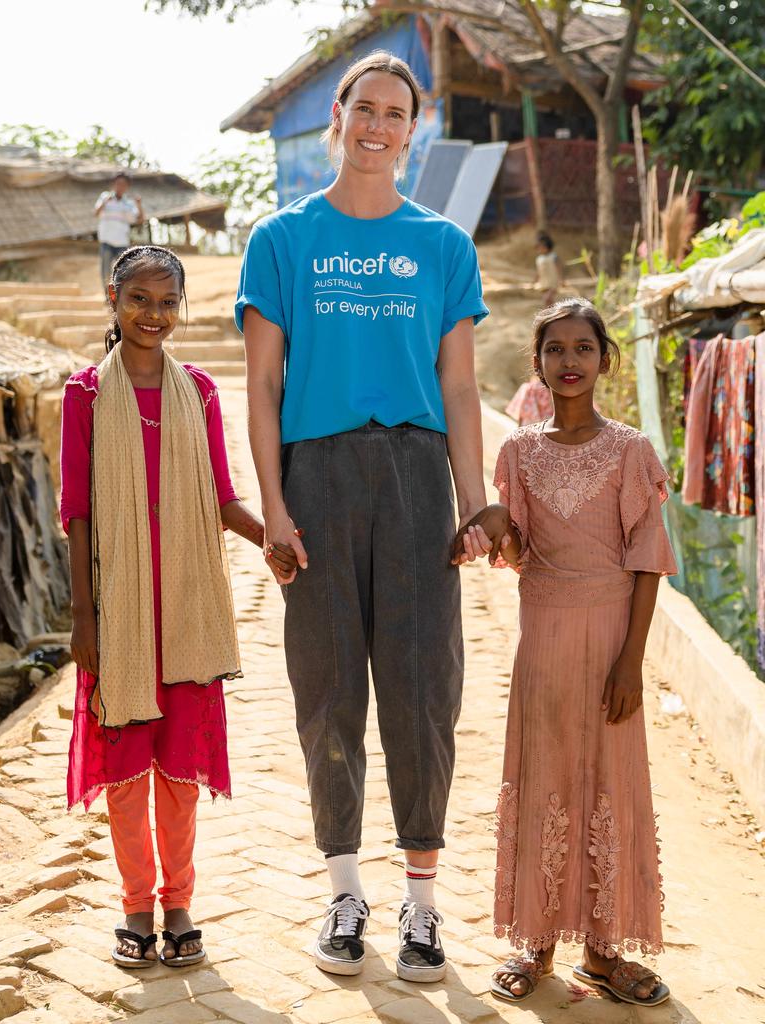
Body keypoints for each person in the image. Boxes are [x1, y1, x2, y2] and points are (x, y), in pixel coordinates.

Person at [237, 51, 488, 982]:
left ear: (412, 132)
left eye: (398, 114)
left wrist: (474, 506)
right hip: (322, 478)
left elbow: (460, 389)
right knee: (329, 689)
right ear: (337, 119)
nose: (380, 126)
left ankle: (423, 906)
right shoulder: (284, 239)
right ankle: (344, 891)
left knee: (425, 692)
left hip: (421, 478)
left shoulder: (443, 246)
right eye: (365, 109)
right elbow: (262, 387)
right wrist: (275, 509)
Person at [60, 245, 296, 971]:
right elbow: (77, 513)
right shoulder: (86, 396)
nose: (153, 314)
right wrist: (83, 618)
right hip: (122, 613)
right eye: (140, 299)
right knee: (128, 769)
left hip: (185, 610)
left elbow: (222, 497)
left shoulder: (197, 389)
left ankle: (179, 900)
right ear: (113, 298)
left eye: (167, 302)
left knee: (178, 772)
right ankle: (135, 904)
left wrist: (274, 540)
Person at [454, 298, 676, 1007]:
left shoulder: (633, 451)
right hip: (543, 639)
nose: (570, 362)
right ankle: (536, 941)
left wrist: (632, 663)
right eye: (556, 350)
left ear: (604, 359)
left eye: (584, 348)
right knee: (544, 774)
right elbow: (519, 555)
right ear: (538, 364)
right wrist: (495, 523)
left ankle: (606, 954)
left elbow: (647, 562)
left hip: (612, 635)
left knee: (612, 780)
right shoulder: (518, 450)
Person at [94, 174, 144, 292]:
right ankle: (107, 297)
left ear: (127, 187)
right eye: (118, 184)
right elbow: (96, 213)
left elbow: (140, 219)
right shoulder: (105, 197)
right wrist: (105, 203)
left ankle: (119, 296)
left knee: (123, 272)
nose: (120, 187)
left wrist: (139, 205)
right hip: (106, 241)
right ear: (113, 185)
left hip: (122, 242)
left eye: (123, 184)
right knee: (106, 272)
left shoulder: (129, 203)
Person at [535, 231, 563, 306]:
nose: (540, 249)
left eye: (542, 247)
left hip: (553, 282)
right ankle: (550, 315)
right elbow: (539, 270)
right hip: (543, 282)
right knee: (548, 301)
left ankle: (553, 313)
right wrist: (536, 280)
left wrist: (560, 279)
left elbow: (558, 268)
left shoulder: (553, 256)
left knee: (547, 298)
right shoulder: (539, 259)